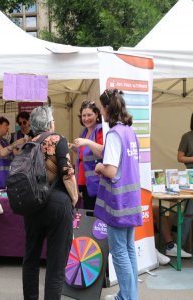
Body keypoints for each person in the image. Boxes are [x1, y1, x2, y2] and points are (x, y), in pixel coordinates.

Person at [22, 106, 78, 300]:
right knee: (56, 263)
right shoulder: (57, 139)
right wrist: (74, 196)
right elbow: (66, 171)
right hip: (56, 204)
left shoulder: (27, 145)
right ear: (49, 123)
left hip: (31, 205)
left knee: (31, 258)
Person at [94, 89, 142, 300]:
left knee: (120, 251)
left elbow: (111, 170)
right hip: (131, 201)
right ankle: (129, 295)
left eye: (101, 107)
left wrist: (98, 168)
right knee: (129, 248)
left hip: (118, 203)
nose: (100, 112)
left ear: (107, 109)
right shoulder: (129, 131)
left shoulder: (114, 134)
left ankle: (126, 297)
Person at [69, 100, 103, 210]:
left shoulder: (100, 130)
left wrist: (88, 142)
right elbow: (84, 155)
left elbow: (103, 152)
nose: (86, 118)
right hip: (84, 181)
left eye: (89, 115)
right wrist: (74, 148)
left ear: (97, 114)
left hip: (96, 183)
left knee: (94, 215)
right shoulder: (84, 132)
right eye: (84, 115)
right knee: (87, 214)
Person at [0, 116, 26, 189]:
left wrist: (25, 145)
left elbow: (17, 155)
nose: (8, 128)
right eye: (6, 125)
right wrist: (16, 143)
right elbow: (2, 153)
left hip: (8, 181)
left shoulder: (5, 142)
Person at [177, 112, 193, 248]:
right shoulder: (187, 137)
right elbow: (180, 157)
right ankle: (180, 246)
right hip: (191, 177)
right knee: (189, 213)